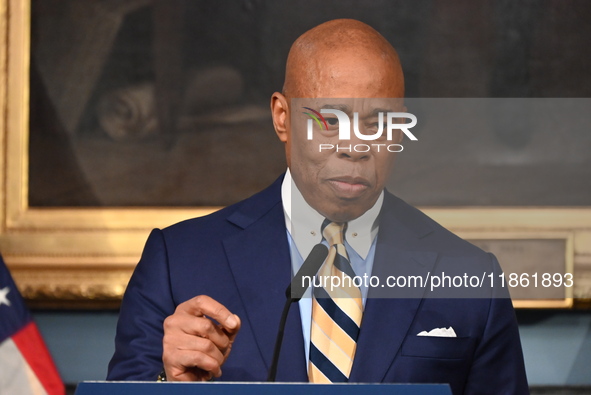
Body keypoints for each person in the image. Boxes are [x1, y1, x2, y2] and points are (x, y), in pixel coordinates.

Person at [107, 19, 529, 394]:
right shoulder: (178, 262)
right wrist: (168, 386)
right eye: (330, 119)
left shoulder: (470, 278)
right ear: (282, 117)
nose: (355, 147)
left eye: (378, 122)